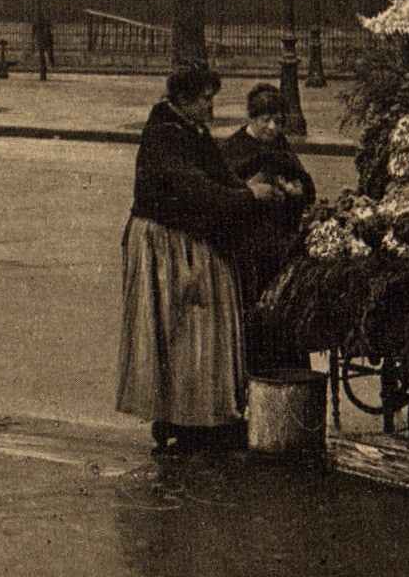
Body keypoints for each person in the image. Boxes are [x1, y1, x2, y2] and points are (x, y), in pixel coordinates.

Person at [115, 65, 283, 456]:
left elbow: (219, 176)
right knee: (185, 327)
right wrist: (247, 197)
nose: (211, 106)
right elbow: (192, 187)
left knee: (200, 327)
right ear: (186, 101)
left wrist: (247, 189)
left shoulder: (191, 131)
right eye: (206, 99)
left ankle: (202, 416)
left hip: (187, 237)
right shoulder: (164, 134)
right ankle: (181, 419)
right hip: (166, 242)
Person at [222, 83, 316, 374]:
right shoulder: (234, 148)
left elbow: (305, 186)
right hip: (248, 250)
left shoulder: (279, 145)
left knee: (284, 315)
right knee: (256, 316)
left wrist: (297, 190)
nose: (273, 128)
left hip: (279, 246)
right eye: (266, 121)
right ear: (252, 118)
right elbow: (226, 194)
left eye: (278, 121)